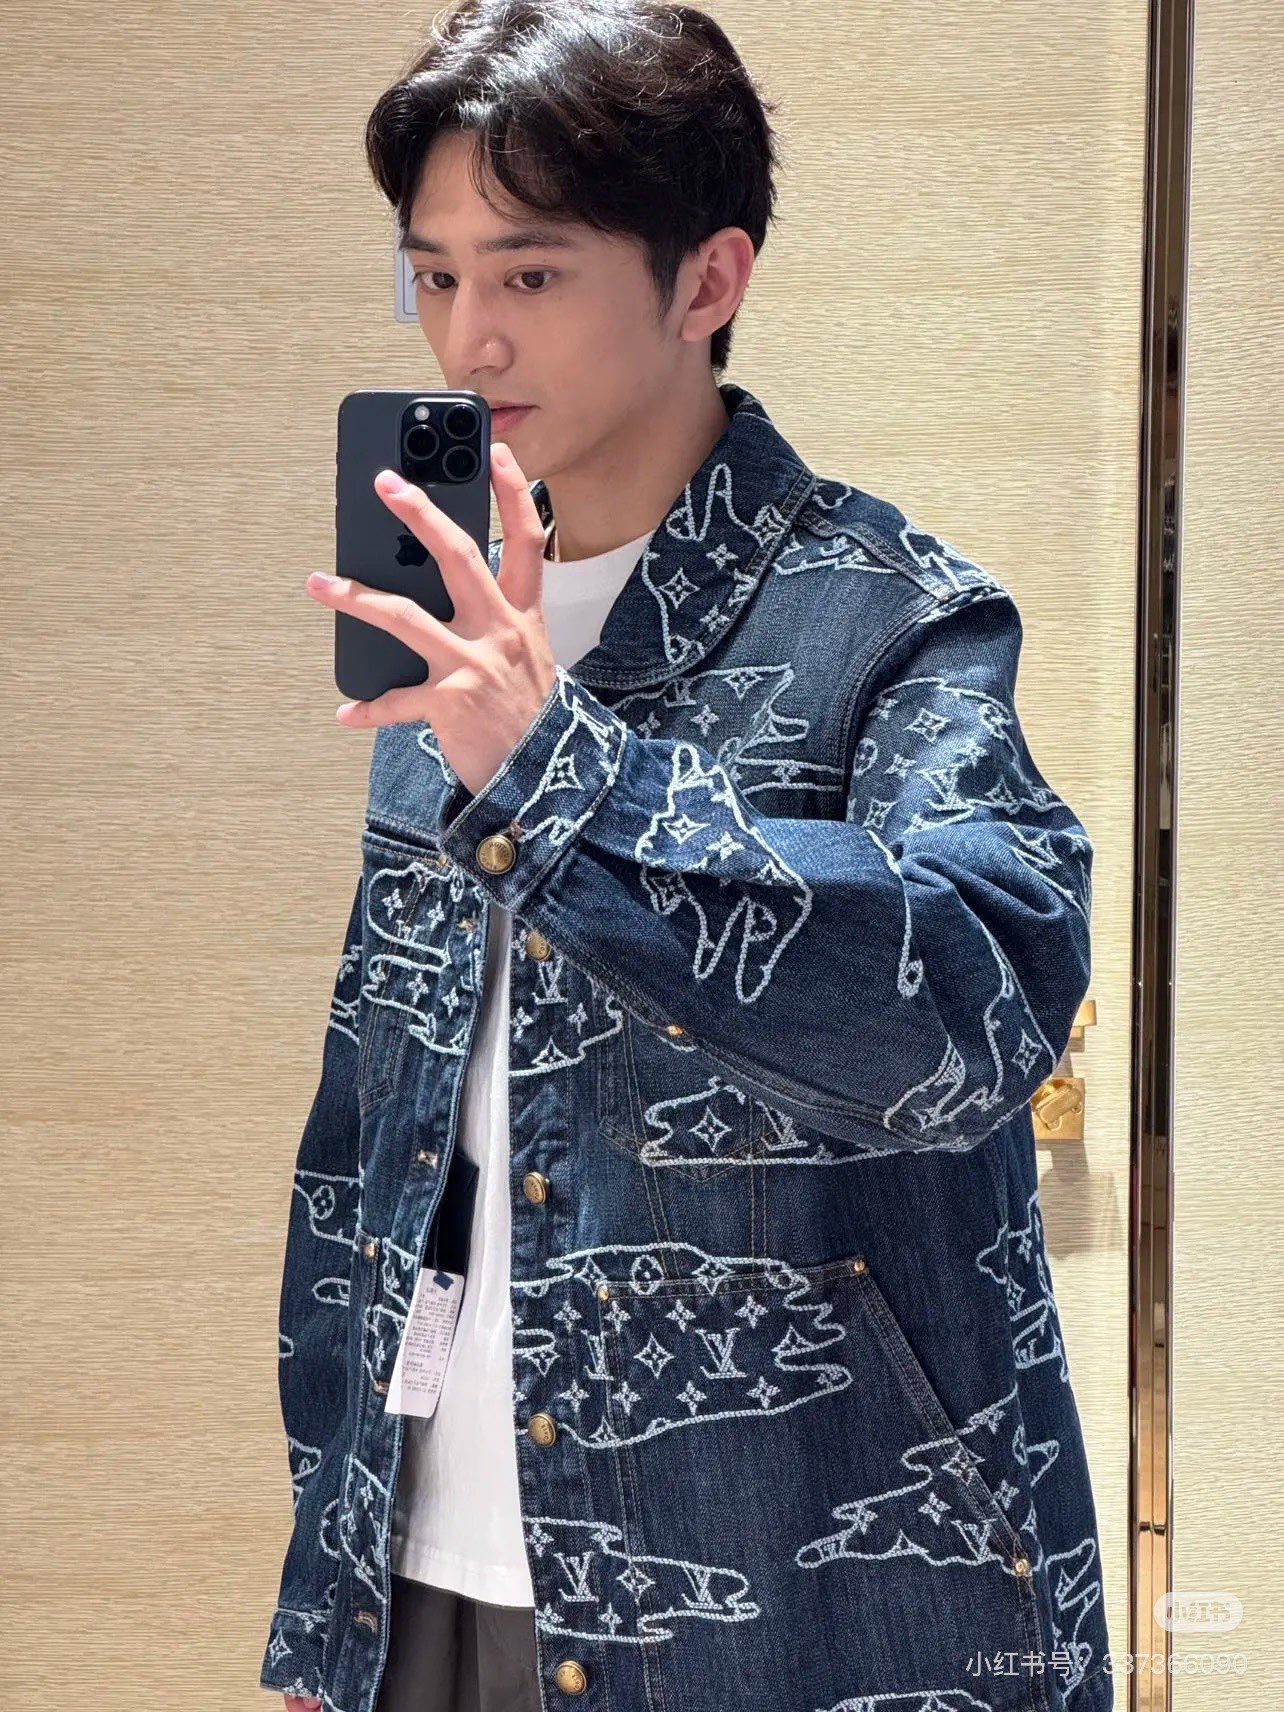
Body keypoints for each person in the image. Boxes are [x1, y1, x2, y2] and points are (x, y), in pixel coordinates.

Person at [260, 4, 1113, 1711]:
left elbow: (984, 1006)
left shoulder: (895, 620)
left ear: (707, 279)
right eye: (433, 275)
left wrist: (562, 777)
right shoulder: (452, 635)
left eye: (531, 273)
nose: (469, 339)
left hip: (811, 1607)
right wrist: (329, 1586)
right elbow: (384, 1133)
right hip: (430, 1579)